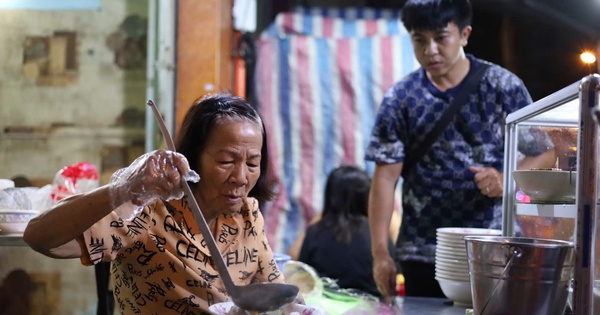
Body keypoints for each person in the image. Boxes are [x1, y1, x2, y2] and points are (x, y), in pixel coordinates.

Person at [24, 93, 286, 314]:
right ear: (193, 158)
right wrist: (121, 190)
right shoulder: (147, 213)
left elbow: (276, 296)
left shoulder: (246, 215)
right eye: (226, 161)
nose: (241, 178)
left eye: (252, 164)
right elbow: (40, 237)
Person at [365, 0, 557, 300]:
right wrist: (380, 254)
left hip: (493, 247)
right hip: (422, 250)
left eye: (441, 38)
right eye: (419, 40)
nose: (430, 50)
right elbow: (385, 179)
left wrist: (506, 180)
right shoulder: (400, 99)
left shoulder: (503, 87)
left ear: (464, 34)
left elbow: (546, 153)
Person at [297, 165, 391, 298]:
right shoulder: (377, 234)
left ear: (330, 195)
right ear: (367, 197)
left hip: (325, 309)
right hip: (373, 309)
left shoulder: (314, 232)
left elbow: (302, 271)